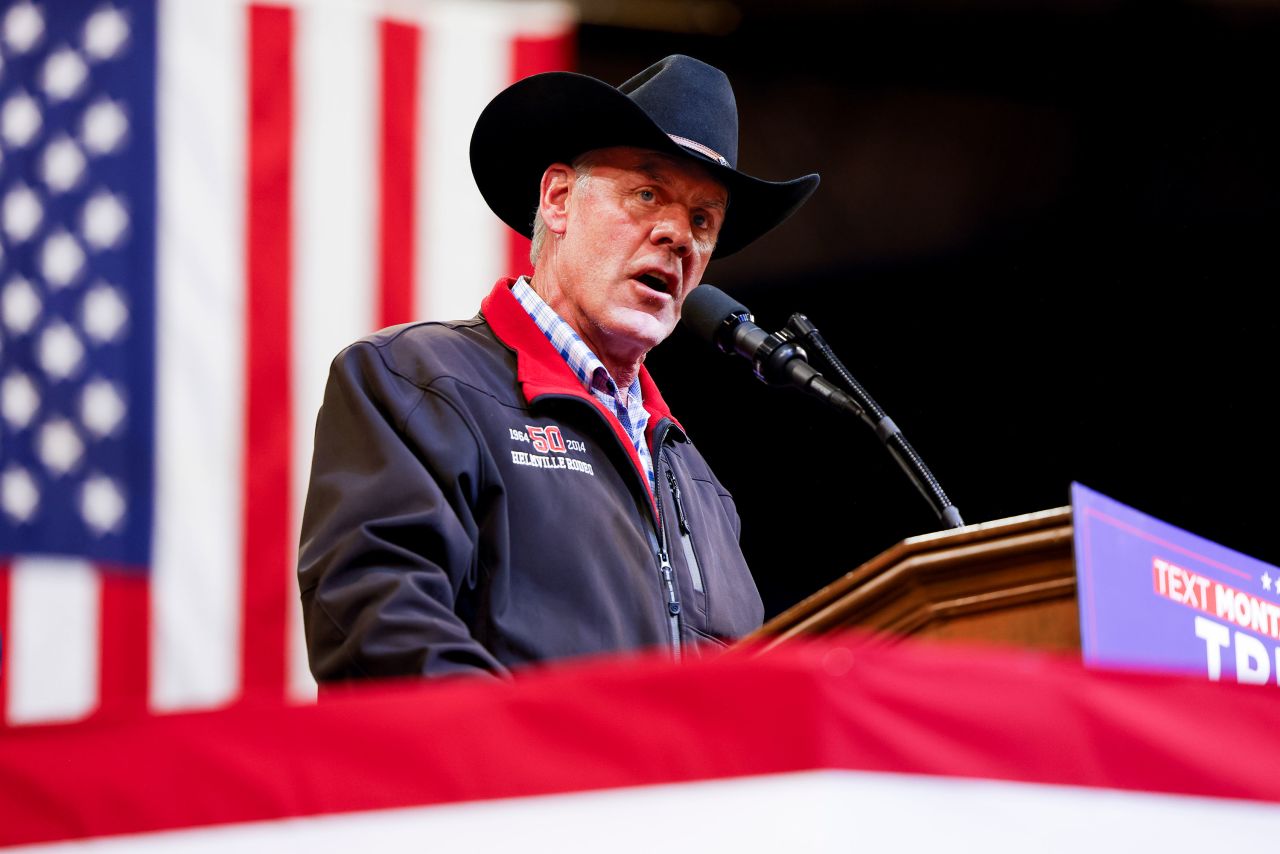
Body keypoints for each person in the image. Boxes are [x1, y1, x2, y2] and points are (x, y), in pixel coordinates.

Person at [297, 55, 819, 682]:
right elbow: (384, 639)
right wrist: (571, 772)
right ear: (559, 200)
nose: (679, 235)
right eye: (647, 194)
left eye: (703, 220)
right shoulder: (416, 382)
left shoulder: (703, 489)